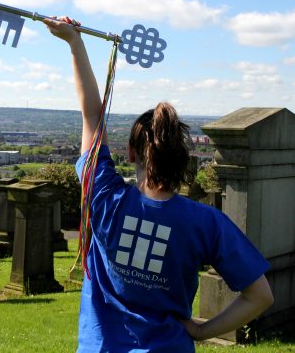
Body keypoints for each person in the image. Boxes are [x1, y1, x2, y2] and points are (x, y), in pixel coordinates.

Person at [44, 17, 274, 352]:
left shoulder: (105, 195)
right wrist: (202, 329)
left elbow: (92, 116)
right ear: (184, 158)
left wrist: (74, 43)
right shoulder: (206, 222)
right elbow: (260, 295)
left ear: (131, 153)